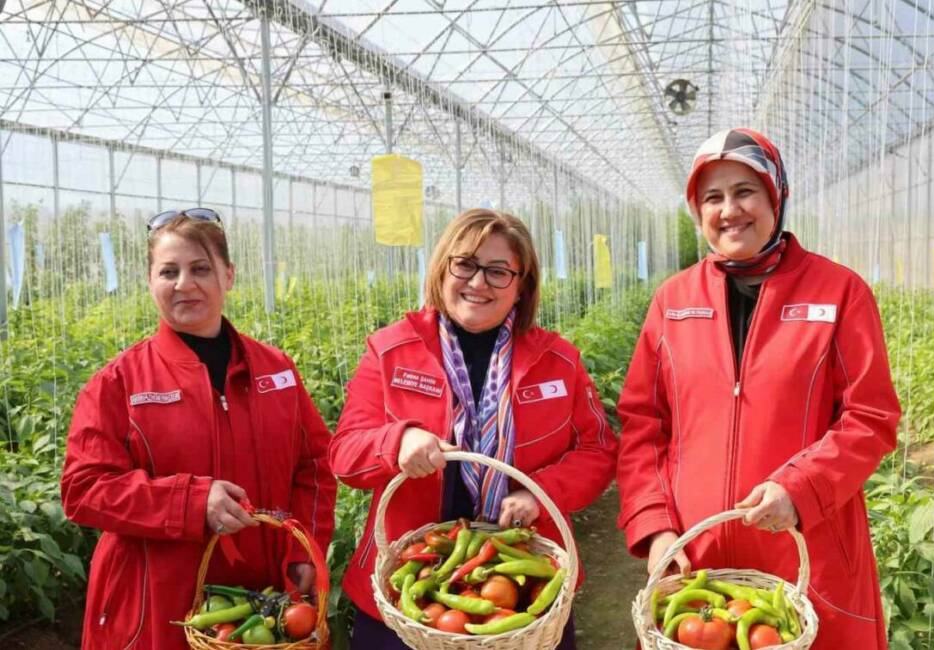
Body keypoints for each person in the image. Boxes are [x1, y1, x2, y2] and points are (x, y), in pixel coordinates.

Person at [616, 128, 900, 648]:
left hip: (806, 546)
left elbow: (871, 417)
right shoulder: (673, 301)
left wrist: (801, 488)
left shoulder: (838, 292)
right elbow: (643, 424)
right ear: (697, 211)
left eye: (745, 191)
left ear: (776, 195)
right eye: (713, 197)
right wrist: (656, 527)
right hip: (694, 552)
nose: (730, 210)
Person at [330, 208, 617, 649]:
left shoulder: (559, 361)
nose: (478, 282)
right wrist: (396, 440)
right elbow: (345, 454)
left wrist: (540, 492)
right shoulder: (391, 351)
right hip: (410, 581)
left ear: (522, 287)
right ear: (443, 269)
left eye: (499, 271)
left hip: (519, 586)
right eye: (465, 264)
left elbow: (597, 450)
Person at [61, 209, 337, 650]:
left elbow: (316, 466)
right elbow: (83, 488)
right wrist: (189, 501)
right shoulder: (119, 382)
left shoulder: (276, 371)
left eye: (200, 268)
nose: (184, 284)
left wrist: (305, 549)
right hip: (157, 603)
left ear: (229, 276)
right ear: (150, 281)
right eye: (168, 271)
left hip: (261, 601)